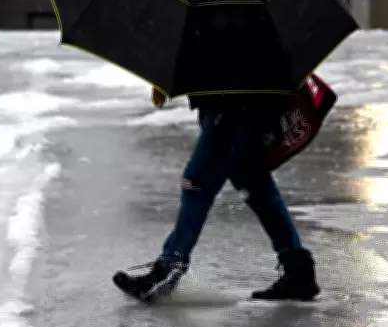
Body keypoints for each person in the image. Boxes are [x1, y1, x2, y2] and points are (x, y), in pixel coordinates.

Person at [112, 86, 320, 302]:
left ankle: (167, 270)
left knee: (196, 185)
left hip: (229, 106)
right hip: (237, 103)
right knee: (256, 187)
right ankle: (298, 270)